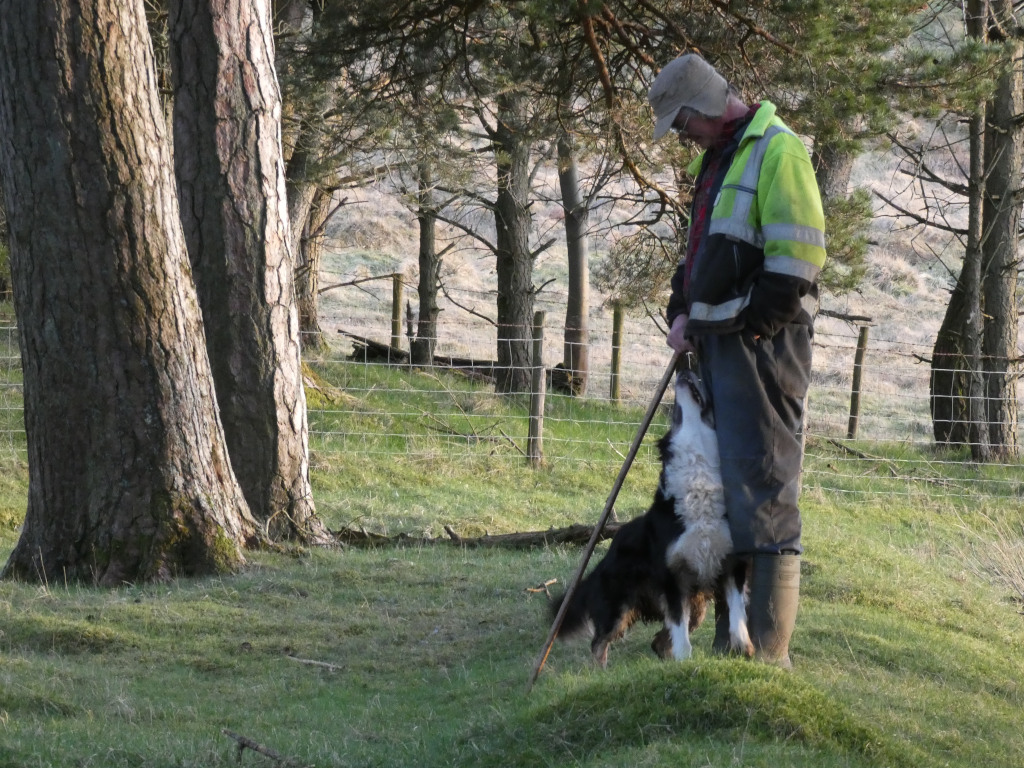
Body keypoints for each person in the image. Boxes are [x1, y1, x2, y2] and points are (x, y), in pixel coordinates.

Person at [648, 53, 826, 668]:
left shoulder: (779, 151)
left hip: (765, 347)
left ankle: (768, 653)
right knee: (727, 484)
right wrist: (682, 311)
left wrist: (747, 326)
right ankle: (732, 636)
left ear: (702, 107)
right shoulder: (716, 161)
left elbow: (798, 262)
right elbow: (697, 257)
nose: (680, 135)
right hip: (719, 342)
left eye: (680, 123)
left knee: (765, 482)